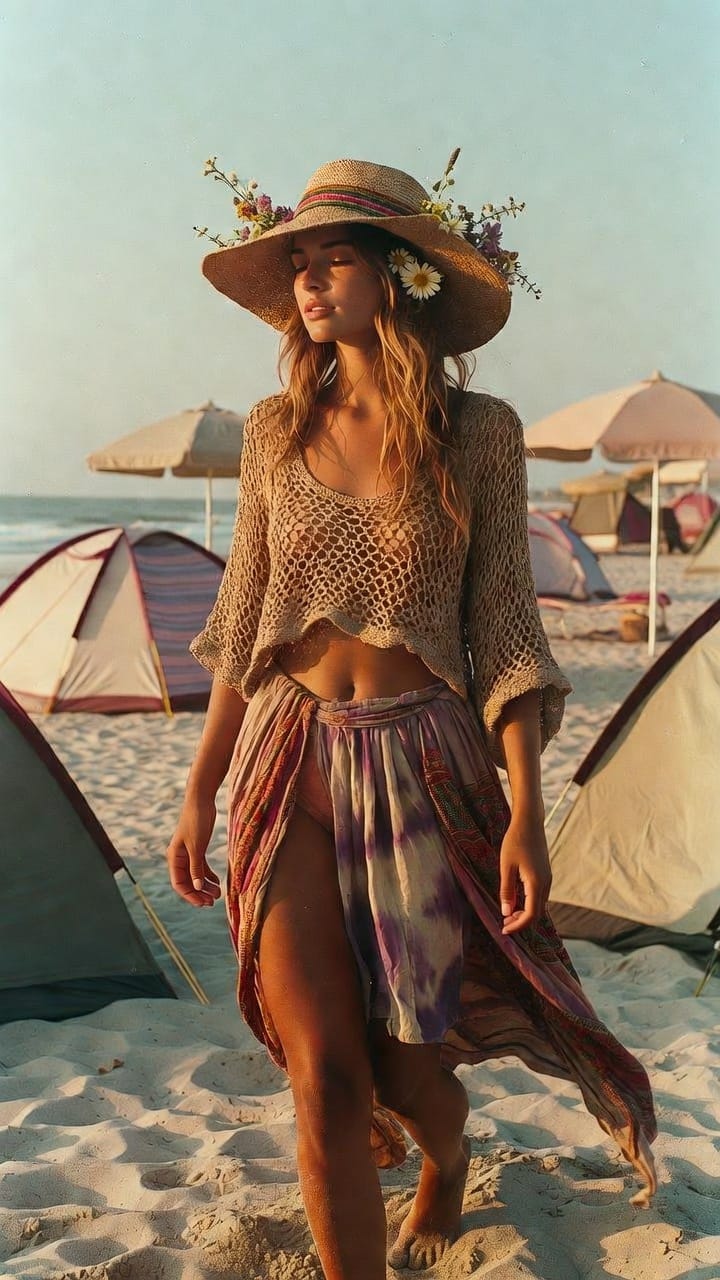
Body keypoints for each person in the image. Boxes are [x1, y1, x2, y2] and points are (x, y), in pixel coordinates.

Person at [167, 155, 657, 1279]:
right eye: (298, 261)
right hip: (288, 759)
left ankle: (446, 1154)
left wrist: (529, 810)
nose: (308, 280)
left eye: (333, 256)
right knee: (324, 1074)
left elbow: (509, 636)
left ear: (403, 276)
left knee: (407, 1075)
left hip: (424, 771)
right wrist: (199, 786)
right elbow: (244, 624)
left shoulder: (479, 431)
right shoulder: (269, 432)